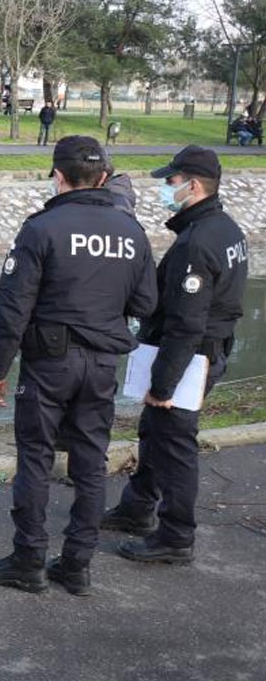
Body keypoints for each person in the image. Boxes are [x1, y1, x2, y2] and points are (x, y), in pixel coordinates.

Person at [0, 136, 158, 596]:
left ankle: (28, 559)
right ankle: (77, 564)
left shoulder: (42, 228)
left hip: (49, 363)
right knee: (91, 462)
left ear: (58, 176)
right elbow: (146, 301)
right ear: (103, 177)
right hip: (101, 365)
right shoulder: (131, 231)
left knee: (36, 459)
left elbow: (12, 306)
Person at [102, 146, 248, 565]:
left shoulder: (197, 243)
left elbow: (187, 323)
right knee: (156, 432)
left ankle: (175, 536)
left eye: (172, 182)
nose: (168, 188)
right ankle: (137, 507)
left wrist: (164, 384)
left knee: (175, 445)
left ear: (194, 185)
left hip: (189, 358)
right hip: (205, 352)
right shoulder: (225, 228)